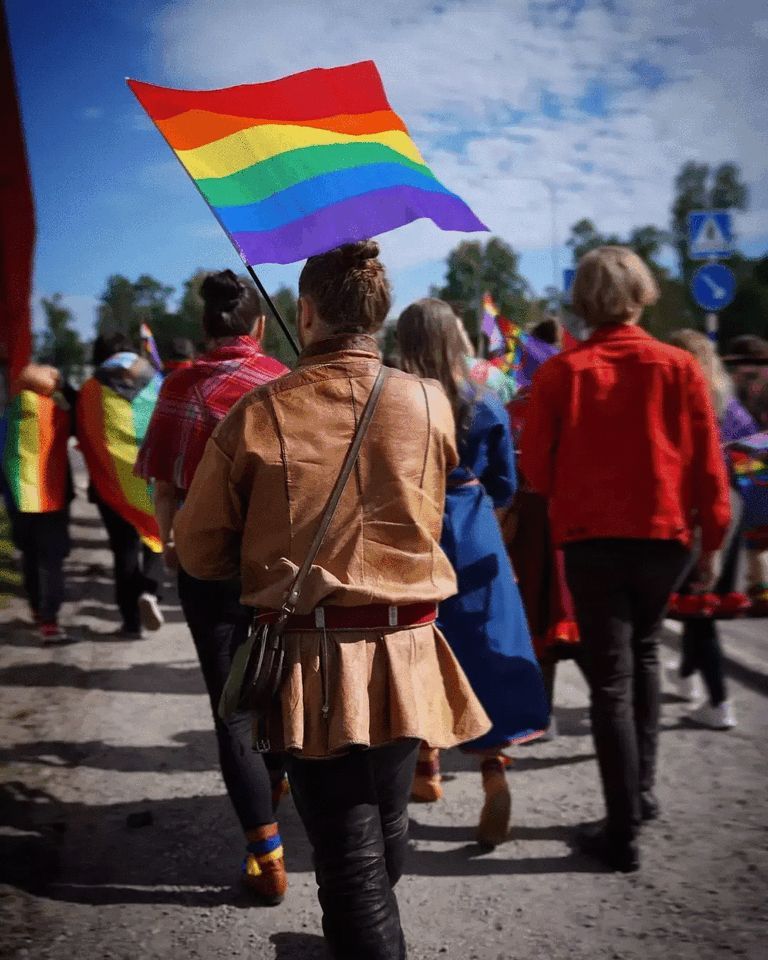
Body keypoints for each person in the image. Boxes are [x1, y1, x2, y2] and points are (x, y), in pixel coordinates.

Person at [174, 242, 489, 960]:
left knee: (353, 864)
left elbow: (199, 552)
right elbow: (428, 508)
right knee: (384, 834)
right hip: (409, 648)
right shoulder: (429, 401)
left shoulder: (258, 413)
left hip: (313, 663)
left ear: (305, 313)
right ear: (375, 315)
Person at [520, 246, 731, 873]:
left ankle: (621, 830)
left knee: (610, 678)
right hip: (665, 538)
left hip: (590, 539)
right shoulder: (680, 366)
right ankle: (639, 799)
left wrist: (576, 485)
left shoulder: (562, 373)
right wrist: (713, 544)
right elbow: (707, 464)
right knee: (643, 657)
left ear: (582, 301)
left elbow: (534, 469)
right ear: (642, 293)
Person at [136, 270, 290, 904]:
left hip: (208, 569)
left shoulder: (180, 386)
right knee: (280, 699)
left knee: (232, 710)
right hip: (278, 570)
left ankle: (266, 855)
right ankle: (274, 793)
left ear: (204, 328)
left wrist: (172, 550)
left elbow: (165, 486)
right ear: (257, 325)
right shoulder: (284, 384)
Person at [397, 298, 548, 847]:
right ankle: (492, 773)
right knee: (482, 650)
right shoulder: (485, 397)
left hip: (412, 529)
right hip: (473, 525)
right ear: (458, 337)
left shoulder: (397, 400)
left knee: (418, 645)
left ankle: (425, 766)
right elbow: (507, 483)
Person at [666, 330, 757, 729]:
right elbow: (751, 447)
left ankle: (720, 701)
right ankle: (687, 678)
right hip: (730, 498)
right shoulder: (728, 401)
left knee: (697, 601)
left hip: (698, 498)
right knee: (697, 599)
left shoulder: (682, 394)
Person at [77, 333, 164, 639]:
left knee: (124, 551)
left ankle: (131, 623)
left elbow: (85, 438)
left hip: (112, 487)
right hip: (152, 478)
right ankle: (150, 591)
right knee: (158, 535)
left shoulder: (89, 389)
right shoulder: (156, 381)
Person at [1, 364, 75, 642]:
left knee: (30, 557)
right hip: (52, 499)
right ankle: (50, 621)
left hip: (18, 500)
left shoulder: (9, 413)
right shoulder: (58, 414)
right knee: (52, 561)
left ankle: (34, 608)